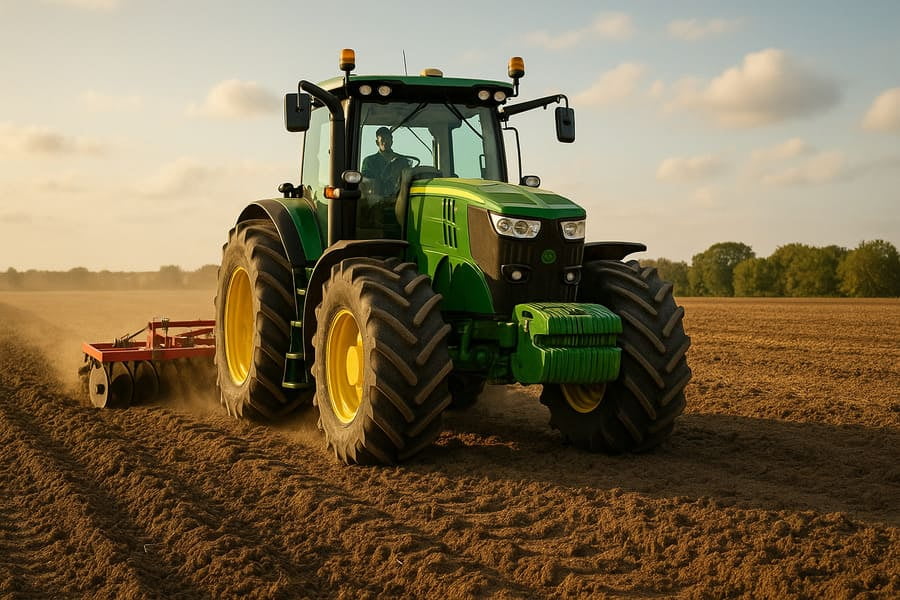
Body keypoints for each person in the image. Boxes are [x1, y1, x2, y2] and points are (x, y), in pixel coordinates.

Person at [361, 127, 410, 196]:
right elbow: (367, 184)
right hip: (378, 201)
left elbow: (408, 179)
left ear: (392, 141)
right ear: (377, 142)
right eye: (382, 139)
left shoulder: (402, 160)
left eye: (388, 139)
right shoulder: (369, 161)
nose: (385, 142)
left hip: (400, 198)